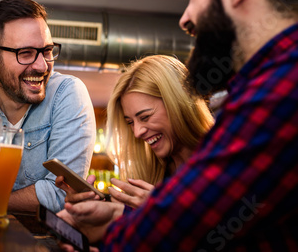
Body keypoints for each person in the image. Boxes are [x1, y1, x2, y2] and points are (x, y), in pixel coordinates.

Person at [57, 0, 298, 250]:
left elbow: (186, 224)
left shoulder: (281, 86)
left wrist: (114, 235)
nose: (185, 18)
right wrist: (117, 220)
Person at [0, 0, 96, 213]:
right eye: (26, 54)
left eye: (47, 51)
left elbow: (60, 195)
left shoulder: (67, 94)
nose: (42, 65)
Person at [57, 55, 213, 209]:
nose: (137, 133)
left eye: (145, 117)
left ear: (178, 104)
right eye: (130, 122)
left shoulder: (220, 162)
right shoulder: (153, 173)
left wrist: (162, 209)